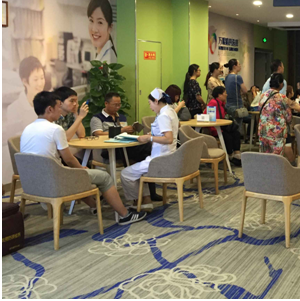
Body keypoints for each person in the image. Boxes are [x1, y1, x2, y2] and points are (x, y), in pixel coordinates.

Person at [21, 92, 146, 225]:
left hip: (31, 182)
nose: (60, 109)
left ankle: (95, 206)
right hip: (55, 181)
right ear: (50, 109)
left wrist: (80, 169)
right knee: (104, 177)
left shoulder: (27, 129)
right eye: (58, 106)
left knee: (80, 172)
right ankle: (124, 215)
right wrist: (81, 169)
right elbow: (68, 159)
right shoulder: (55, 129)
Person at [120, 89, 179, 209]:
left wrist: (149, 138)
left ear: (156, 101)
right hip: (169, 156)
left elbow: (168, 139)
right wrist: (153, 134)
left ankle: (138, 203)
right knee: (137, 171)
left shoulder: (163, 115)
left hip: (159, 159)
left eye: (150, 103)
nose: (150, 107)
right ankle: (145, 201)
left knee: (125, 174)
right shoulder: (171, 111)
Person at [258, 73, 294, 162]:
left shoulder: (263, 96)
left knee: (264, 158)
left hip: (263, 130)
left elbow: (260, 109)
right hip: (276, 133)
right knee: (276, 159)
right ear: (281, 84)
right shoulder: (282, 98)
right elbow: (288, 117)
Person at [7, 56, 46, 135]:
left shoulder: (49, 103)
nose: (40, 83)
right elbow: (13, 140)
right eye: (35, 79)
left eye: (42, 78)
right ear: (24, 81)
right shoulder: (13, 110)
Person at [205, 86, 242, 165]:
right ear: (219, 95)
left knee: (236, 133)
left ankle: (237, 155)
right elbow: (210, 119)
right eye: (225, 93)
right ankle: (230, 155)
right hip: (216, 129)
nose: (226, 95)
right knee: (228, 137)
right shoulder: (213, 103)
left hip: (222, 127)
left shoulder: (222, 104)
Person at [224, 59, 248, 155]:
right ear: (234, 66)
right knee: (237, 130)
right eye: (239, 64)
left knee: (230, 129)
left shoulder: (227, 77)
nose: (240, 66)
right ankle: (237, 151)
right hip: (237, 106)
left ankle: (231, 151)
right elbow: (245, 90)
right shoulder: (238, 77)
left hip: (228, 105)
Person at [87, 0, 117, 64]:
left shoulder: (108, 60)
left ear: (110, 27)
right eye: (91, 20)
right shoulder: (102, 55)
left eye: (100, 22)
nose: (94, 29)